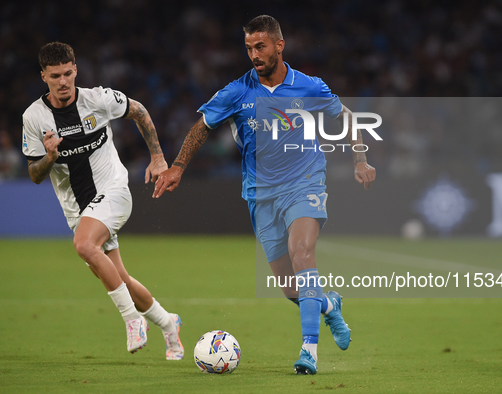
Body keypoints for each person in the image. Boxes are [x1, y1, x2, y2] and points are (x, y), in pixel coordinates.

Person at [153, 15, 376, 374]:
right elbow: (202, 126)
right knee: (290, 287)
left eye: (260, 46)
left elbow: (346, 116)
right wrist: (178, 166)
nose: (254, 54)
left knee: (302, 252)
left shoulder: (309, 87)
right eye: (248, 48)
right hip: (260, 193)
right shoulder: (236, 91)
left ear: (278, 46)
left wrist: (360, 158)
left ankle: (309, 351)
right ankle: (329, 306)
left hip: (305, 181)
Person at [22, 42, 184, 360]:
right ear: (44, 76)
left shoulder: (98, 98)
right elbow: (35, 174)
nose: (63, 81)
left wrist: (157, 156)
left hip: (113, 190)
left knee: (84, 245)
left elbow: (139, 111)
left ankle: (133, 321)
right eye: (55, 76)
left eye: (68, 73)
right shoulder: (34, 117)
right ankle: (169, 324)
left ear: (75, 70)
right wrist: (50, 156)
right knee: (118, 276)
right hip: (78, 210)